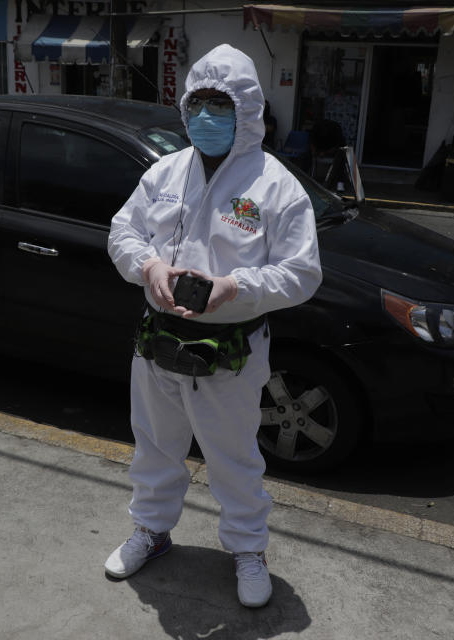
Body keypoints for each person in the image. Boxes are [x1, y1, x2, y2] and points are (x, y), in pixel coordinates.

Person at [106, 44, 322, 608]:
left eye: (218, 104)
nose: (205, 115)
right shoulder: (165, 172)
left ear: (246, 109)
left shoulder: (276, 186)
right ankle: (152, 532)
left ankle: (248, 551)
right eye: (196, 102)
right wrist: (148, 265)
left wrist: (237, 289)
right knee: (154, 445)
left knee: (233, 457)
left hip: (231, 350)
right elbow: (121, 233)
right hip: (158, 342)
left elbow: (302, 274)